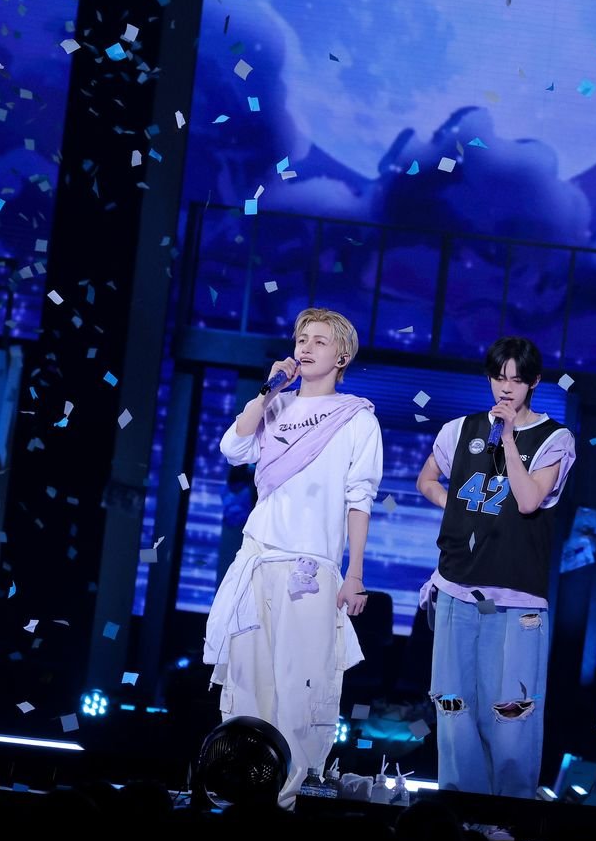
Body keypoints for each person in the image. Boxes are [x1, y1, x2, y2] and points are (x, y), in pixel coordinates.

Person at [204, 307, 383, 807]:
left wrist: (355, 574)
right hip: (257, 560)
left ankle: (286, 800)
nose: (305, 348)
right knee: (248, 682)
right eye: (302, 339)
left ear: (342, 356)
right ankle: (239, 792)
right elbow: (233, 447)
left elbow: (359, 499)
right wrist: (268, 391)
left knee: (302, 687)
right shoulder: (275, 405)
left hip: (312, 570)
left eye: (320, 341)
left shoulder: (357, 418)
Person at [416, 336, 576, 797]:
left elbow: (528, 501)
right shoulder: (460, 429)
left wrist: (507, 438)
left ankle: (508, 813)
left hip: (515, 598)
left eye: (516, 380)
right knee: (453, 705)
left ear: (534, 383)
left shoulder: (555, 438)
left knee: (510, 710)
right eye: (499, 378)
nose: (506, 388)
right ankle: (459, 807)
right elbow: (427, 478)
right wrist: (452, 506)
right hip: (457, 588)